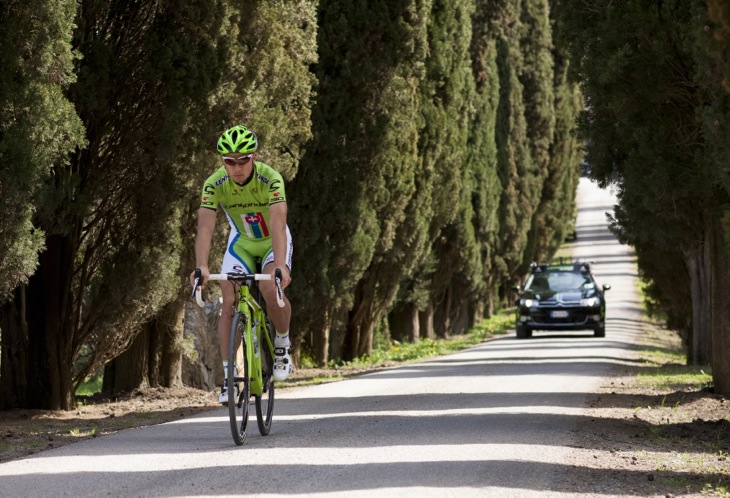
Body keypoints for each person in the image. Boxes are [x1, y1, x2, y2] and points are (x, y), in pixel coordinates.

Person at [190, 125, 293, 404]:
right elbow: (205, 228)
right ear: (222, 161)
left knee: (272, 289)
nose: (236, 167)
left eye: (243, 160)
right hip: (242, 243)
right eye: (229, 161)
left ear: (254, 157)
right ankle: (229, 378)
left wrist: (280, 265)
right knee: (228, 300)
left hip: (273, 240)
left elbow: (278, 222)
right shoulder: (214, 183)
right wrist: (201, 266)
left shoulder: (270, 178)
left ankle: (282, 343)